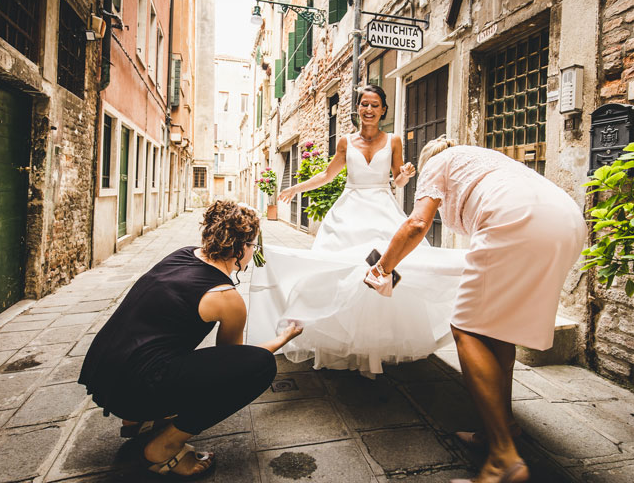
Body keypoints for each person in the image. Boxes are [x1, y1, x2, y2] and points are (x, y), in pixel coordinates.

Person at [362, 135, 586, 483]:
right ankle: (503, 428)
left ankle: (503, 459)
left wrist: (382, 268)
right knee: (499, 326)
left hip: (517, 221)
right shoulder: (487, 160)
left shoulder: (437, 162)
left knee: (466, 327)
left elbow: (418, 224)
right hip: (568, 221)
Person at [247, 85, 466, 376]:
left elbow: (398, 182)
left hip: (381, 208)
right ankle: (343, 340)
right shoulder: (345, 143)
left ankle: (377, 345)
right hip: (349, 211)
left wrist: (404, 175)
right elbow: (328, 175)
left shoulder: (394, 141)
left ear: (383, 110)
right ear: (358, 108)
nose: (369, 110)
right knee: (340, 270)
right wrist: (295, 188)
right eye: (364, 104)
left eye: (375, 105)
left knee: (387, 269)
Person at [78, 201, 303, 480]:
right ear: (241, 248)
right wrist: (282, 338)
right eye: (254, 246)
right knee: (261, 366)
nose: (254, 252)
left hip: (105, 376)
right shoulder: (225, 297)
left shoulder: (182, 254)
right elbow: (234, 360)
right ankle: (163, 447)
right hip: (134, 387)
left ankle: (138, 420)